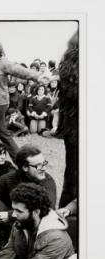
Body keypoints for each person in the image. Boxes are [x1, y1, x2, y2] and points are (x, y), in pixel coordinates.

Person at [0, 145, 57, 252]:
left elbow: (46, 210)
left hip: (33, 226)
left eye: (44, 163)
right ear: (24, 167)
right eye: (38, 165)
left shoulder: (47, 182)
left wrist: (10, 215)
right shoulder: (12, 177)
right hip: (14, 217)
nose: (44, 168)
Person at [55, 31, 79, 208]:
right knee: (74, 174)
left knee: (73, 174)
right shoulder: (73, 68)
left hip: (73, 128)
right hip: (76, 128)